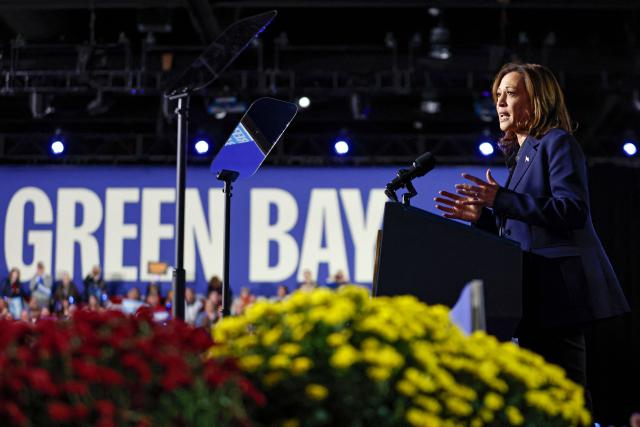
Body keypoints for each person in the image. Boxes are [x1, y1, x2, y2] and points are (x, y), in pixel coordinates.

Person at [434, 63, 629, 408]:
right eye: (497, 95)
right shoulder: (521, 159)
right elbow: (522, 233)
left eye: (511, 93)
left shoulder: (557, 143)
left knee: (564, 393)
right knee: (543, 397)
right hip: (533, 294)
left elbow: (571, 211)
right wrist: (483, 217)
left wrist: (501, 199)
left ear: (537, 99)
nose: (501, 103)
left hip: (558, 294)